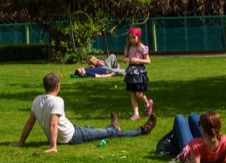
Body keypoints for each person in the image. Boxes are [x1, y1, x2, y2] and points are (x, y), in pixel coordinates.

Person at [10, 72, 157, 153]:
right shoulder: (57, 101)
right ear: (58, 86)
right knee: (109, 134)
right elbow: (53, 124)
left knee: (90, 129)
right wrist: (53, 147)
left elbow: (30, 122)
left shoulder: (37, 100)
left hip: (72, 129)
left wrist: (21, 142)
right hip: (72, 136)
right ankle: (141, 131)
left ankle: (113, 126)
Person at [123, 27, 153, 121]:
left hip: (139, 72)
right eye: (130, 38)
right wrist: (126, 60)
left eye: (134, 37)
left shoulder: (142, 48)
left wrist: (137, 60)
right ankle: (136, 113)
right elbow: (125, 57)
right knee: (132, 94)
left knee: (138, 94)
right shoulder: (128, 47)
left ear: (138, 37)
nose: (131, 40)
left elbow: (148, 61)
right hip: (131, 72)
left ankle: (148, 104)